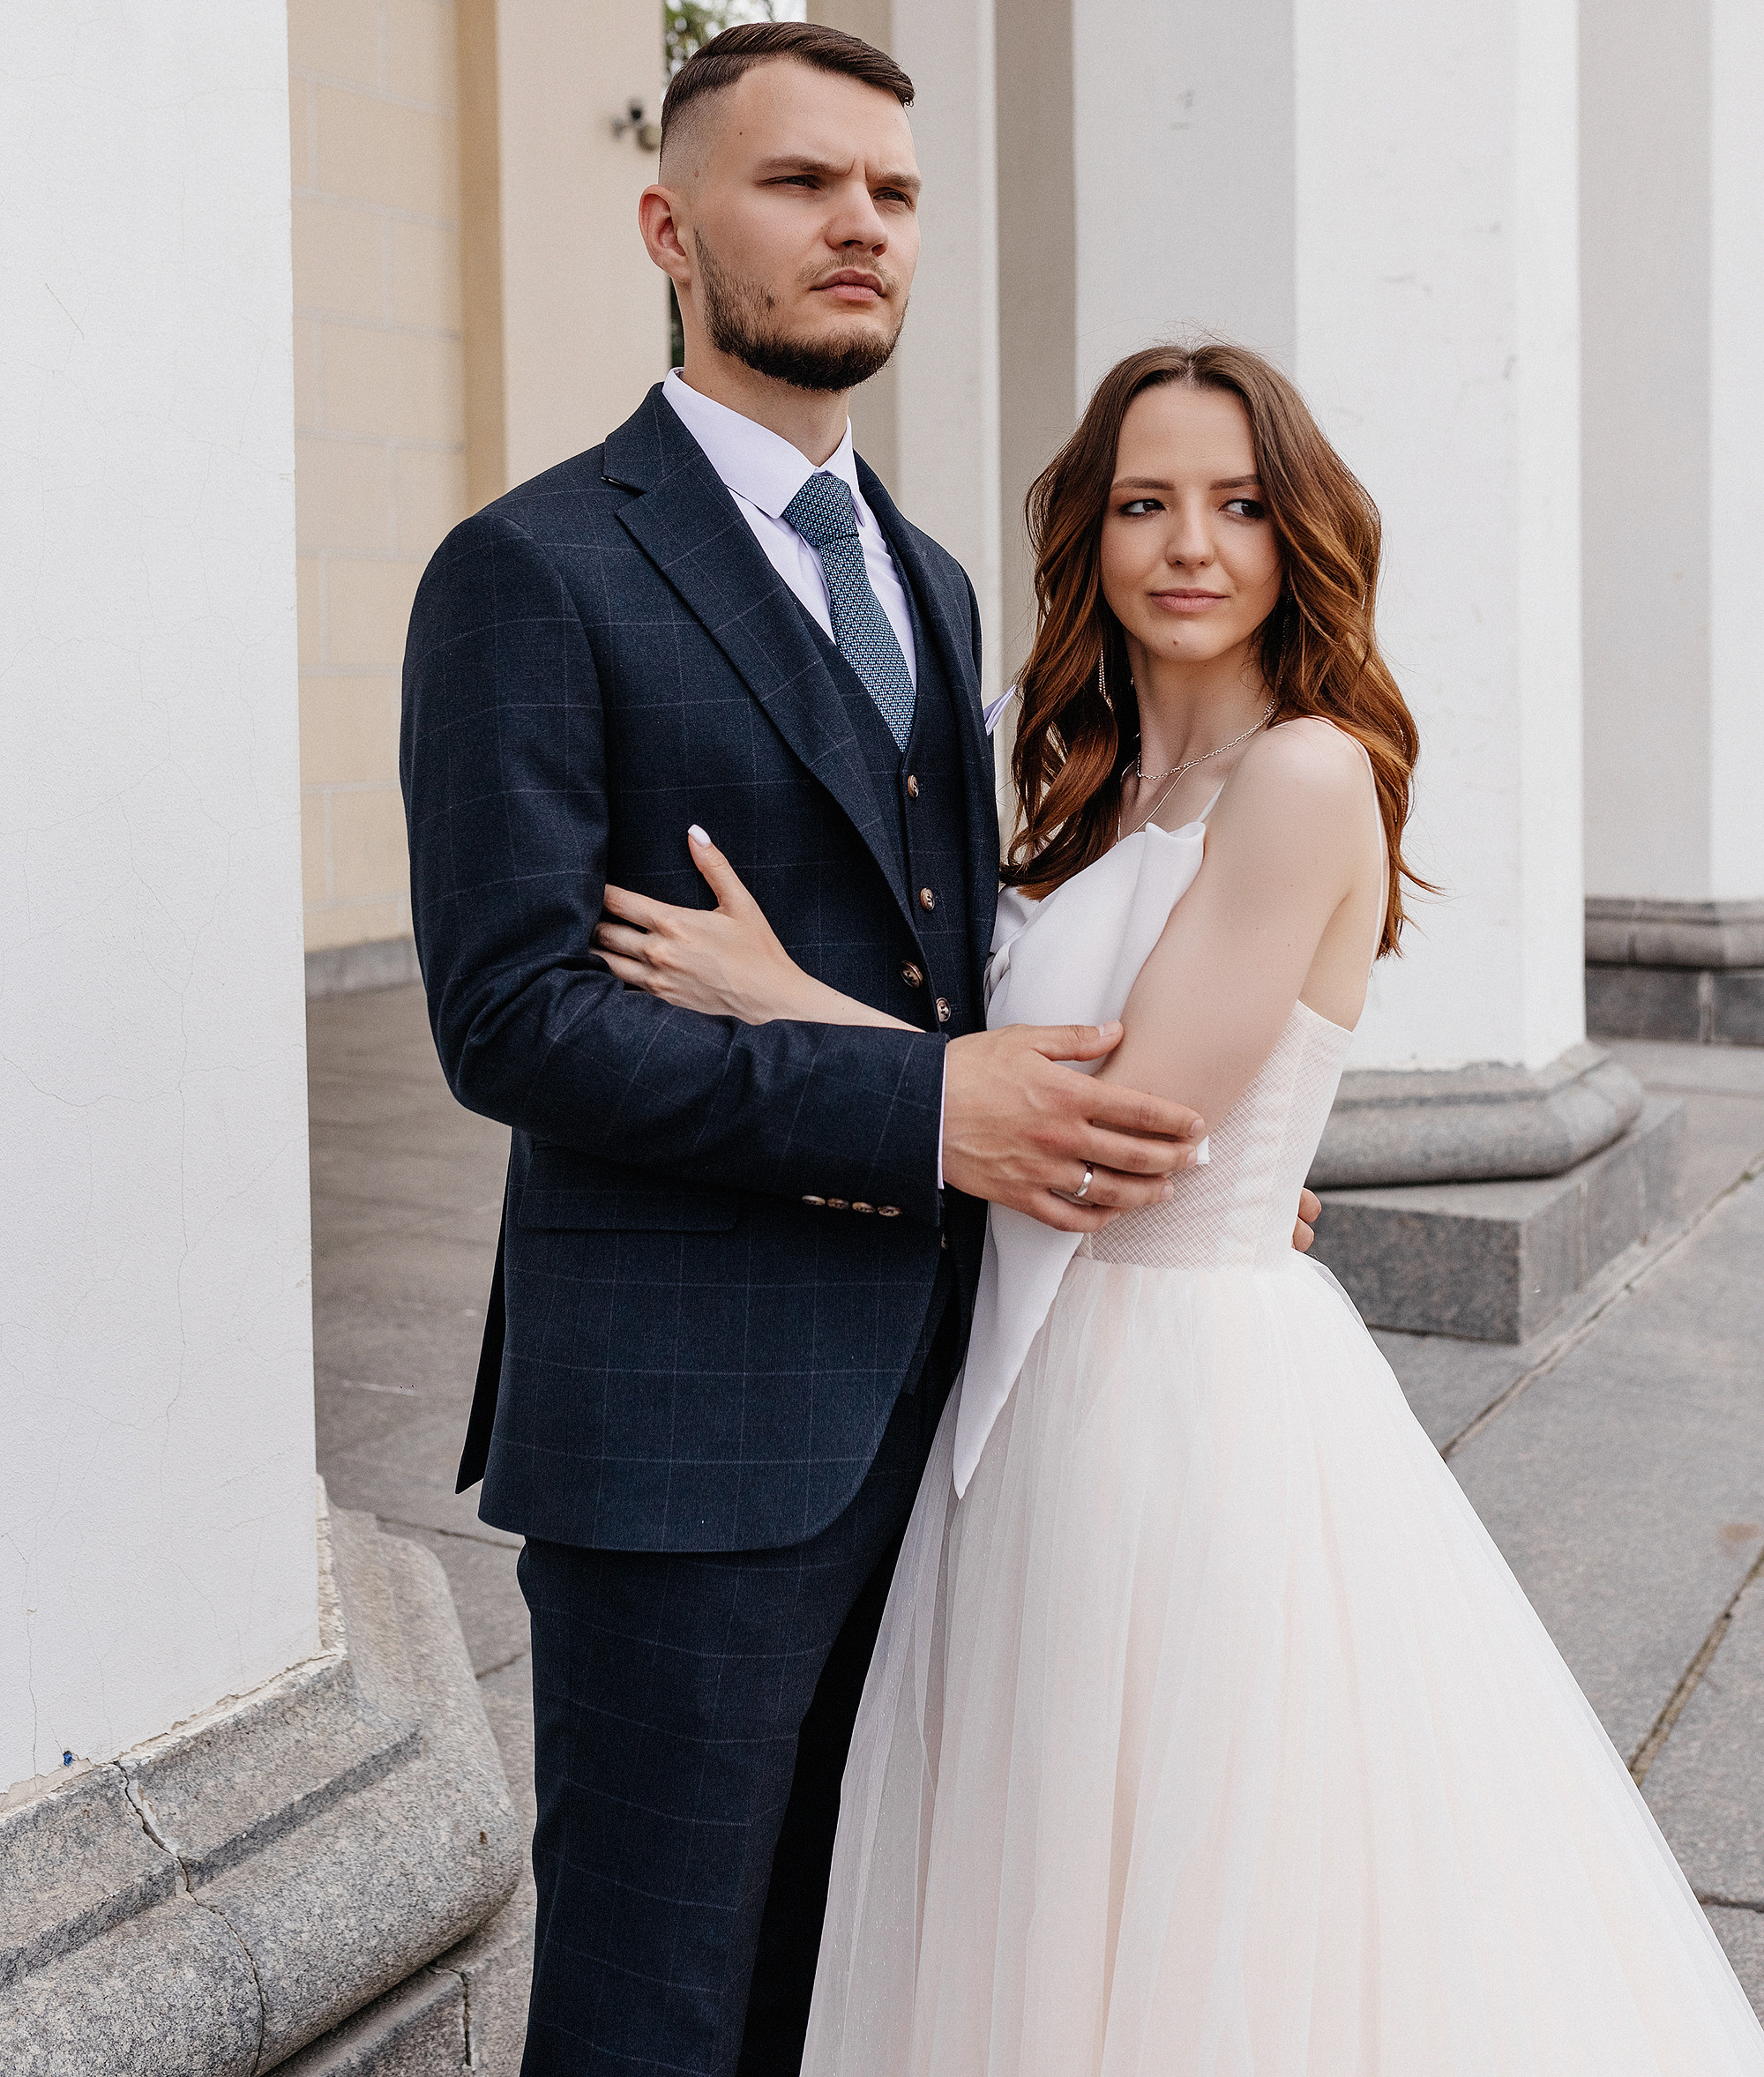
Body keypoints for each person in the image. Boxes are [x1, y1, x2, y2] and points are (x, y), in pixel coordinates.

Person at [597, 341, 1764, 2073]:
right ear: (1093, 532)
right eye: (1144, 502)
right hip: (1026, 1382)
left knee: (1188, 1877)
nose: (1188, 544)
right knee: (1040, 1864)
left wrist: (783, 998)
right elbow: (1039, 1088)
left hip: (1184, 1405)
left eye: (1236, 503)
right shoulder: (1069, 781)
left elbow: (1122, 1133)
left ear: (1300, 537)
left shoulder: (1305, 777)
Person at [400, 23, 1319, 2077]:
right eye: (799, 184)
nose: (857, 229)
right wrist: (929, 1108)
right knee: (653, 2011)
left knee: (852, 1986)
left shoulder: (921, 575)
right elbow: (511, 1021)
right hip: (686, 1431)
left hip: (958, 1417)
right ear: (668, 224)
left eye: (892, 195)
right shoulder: (532, 570)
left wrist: (1211, 1127)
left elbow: (956, 970)